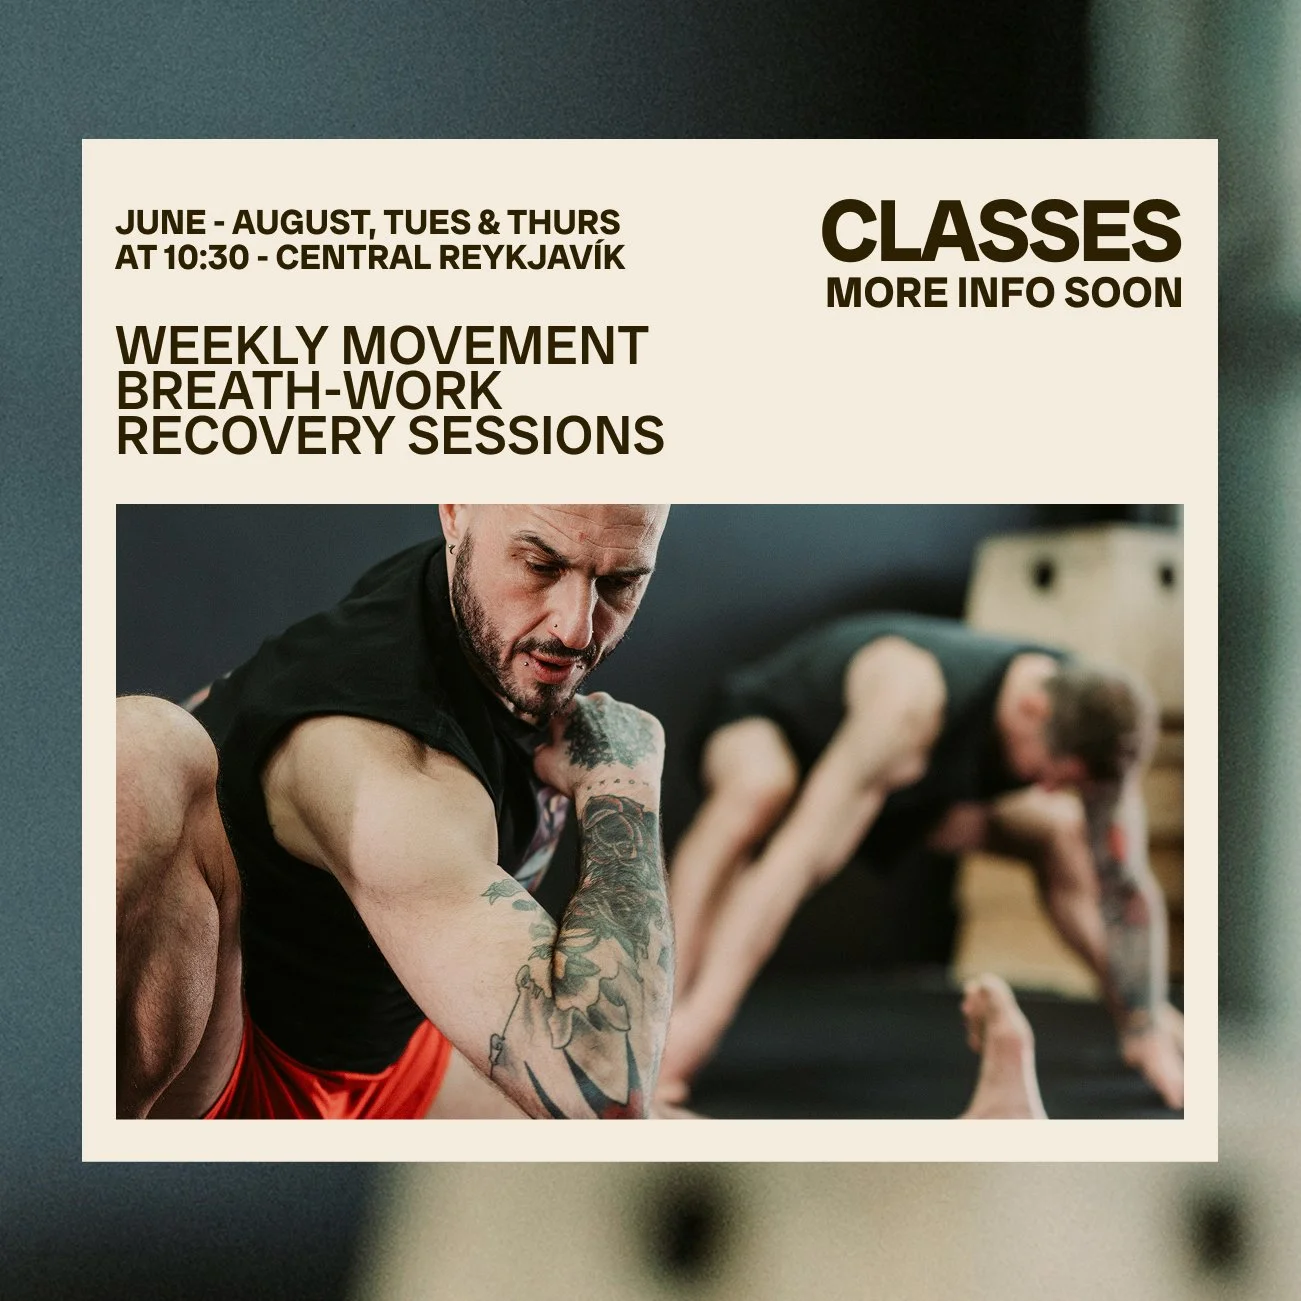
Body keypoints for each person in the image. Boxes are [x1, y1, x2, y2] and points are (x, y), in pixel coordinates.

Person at [116, 504, 675, 1120]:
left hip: (401, 1054)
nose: (575, 629)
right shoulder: (387, 765)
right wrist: (622, 781)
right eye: (541, 565)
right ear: (456, 512)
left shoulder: (463, 591)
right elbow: (608, 1100)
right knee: (142, 746)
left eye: (619, 583)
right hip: (256, 1082)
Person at [660, 613, 1183, 1111]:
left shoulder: (1094, 722)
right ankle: (661, 1012)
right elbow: (789, 866)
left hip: (900, 789)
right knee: (760, 789)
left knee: (1063, 834)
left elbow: (1125, 888)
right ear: (1031, 708)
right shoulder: (910, 701)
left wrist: (1143, 1019)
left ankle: (1144, 1020)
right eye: (1051, 775)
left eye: (1065, 783)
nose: (1048, 789)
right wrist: (699, 1029)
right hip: (775, 729)